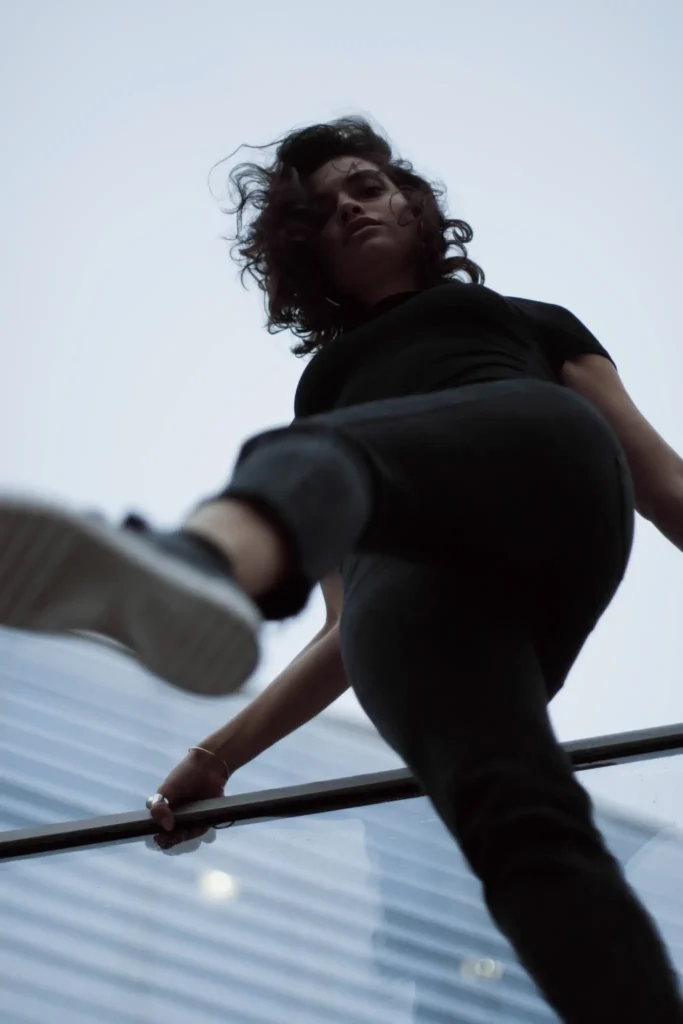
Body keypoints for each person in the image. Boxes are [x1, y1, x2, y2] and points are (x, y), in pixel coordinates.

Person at [2, 115, 683, 1022]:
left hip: (537, 477)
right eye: (322, 211)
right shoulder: (324, 384)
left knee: (315, 455)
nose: (351, 209)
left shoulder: (526, 321)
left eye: (367, 186)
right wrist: (215, 757)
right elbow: (338, 629)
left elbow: (666, 487)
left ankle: (197, 561)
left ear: (411, 204)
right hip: (415, 596)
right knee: (520, 835)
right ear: (305, 252)